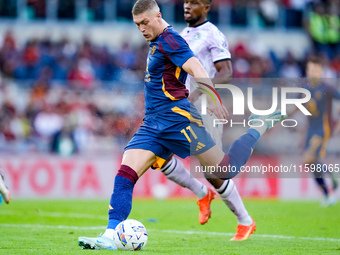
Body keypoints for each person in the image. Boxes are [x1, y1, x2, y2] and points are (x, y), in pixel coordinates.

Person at [78, 0, 285, 250]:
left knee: (224, 170)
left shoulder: (170, 39)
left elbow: (197, 67)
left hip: (179, 120)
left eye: (145, 22)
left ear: (158, 16)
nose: (141, 29)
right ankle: (110, 236)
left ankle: (258, 127)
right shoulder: (158, 41)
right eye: (137, 25)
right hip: (153, 124)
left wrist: (213, 97)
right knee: (125, 175)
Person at [156, 0, 255, 241]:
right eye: (186, 2)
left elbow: (227, 72)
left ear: (206, 7)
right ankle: (201, 193)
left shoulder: (213, 34)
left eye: (194, 3)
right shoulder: (182, 34)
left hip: (203, 108)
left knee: (213, 171)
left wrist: (201, 91)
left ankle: (245, 220)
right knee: (156, 155)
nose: (187, 6)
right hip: (178, 106)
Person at [289, 56, 339, 207]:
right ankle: (327, 193)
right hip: (310, 129)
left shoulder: (326, 88)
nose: (314, 72)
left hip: (323, 128)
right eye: (311, 69)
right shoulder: (304, 89)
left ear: (321, 71)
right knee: (311, 163)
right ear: (307, 71)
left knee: (308, 159)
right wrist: (283, 115)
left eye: (317, 70)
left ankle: (331, 180)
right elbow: (297, 105)